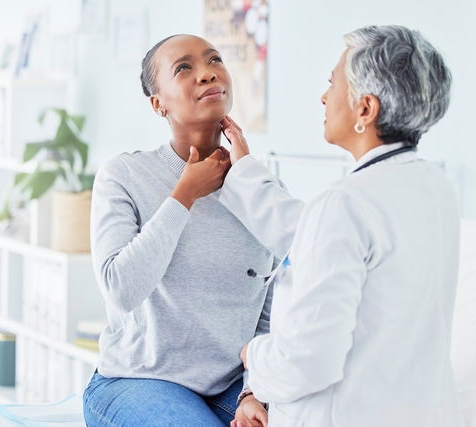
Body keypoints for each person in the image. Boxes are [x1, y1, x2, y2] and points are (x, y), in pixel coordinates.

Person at [218, 25, 461, 427]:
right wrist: (244, 172)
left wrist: (252, 355)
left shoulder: (345, 204)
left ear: (365, 109)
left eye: (332, 83)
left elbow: (307, 362)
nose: (324, 96)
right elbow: (314, 236)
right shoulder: (436, 189)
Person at [82, 34, 275, 426]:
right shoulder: (124, 175)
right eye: (184, 68)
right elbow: (121, 288)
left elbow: (271, 311)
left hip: (229, 385)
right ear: (158, 103)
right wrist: (184, 195)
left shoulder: (263, 194)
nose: (207, 73)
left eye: (215, 60)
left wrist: (256, 391)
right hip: (136, 380)